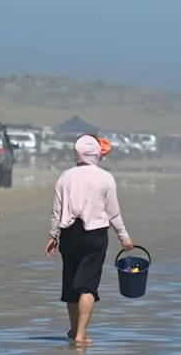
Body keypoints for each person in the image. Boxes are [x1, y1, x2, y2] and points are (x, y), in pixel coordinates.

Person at [46, 134, 133, 344]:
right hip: (95, 235)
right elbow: (113, 213)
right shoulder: (105, 178)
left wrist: (53, 235)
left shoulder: (65, 176)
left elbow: (56, 211)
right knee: (88, 286)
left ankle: (74, 329)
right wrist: (124, 237)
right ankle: (81, 335)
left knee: (70, 283)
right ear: (96, 154)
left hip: (69, 234)